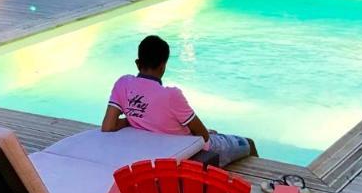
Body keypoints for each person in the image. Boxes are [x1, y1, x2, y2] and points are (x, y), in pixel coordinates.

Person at [101, 34, 255, 167]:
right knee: (249, 143)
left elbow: (108, 126)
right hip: (192, 149)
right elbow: (203, 135)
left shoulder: (123, 84)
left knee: (215, 133)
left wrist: (132, 119)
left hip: (157, 145)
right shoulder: (171, 95)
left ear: (137, 63)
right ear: (163, 66)